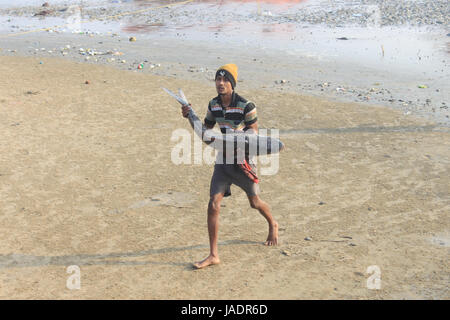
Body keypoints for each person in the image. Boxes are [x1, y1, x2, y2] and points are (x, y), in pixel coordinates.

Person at [181, 63, 279, 269]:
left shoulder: (246, 105)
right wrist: (190, 116)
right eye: (218, 79)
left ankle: (272, 224)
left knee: (254, 202)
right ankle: (213, 255)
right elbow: (205, 131)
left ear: (232, 84)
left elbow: (253, 134)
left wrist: (236, 138)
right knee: (213, 204)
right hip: (223, 162)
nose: (221, 83)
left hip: (243, 162)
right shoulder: (214, 104)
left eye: (225, 80)